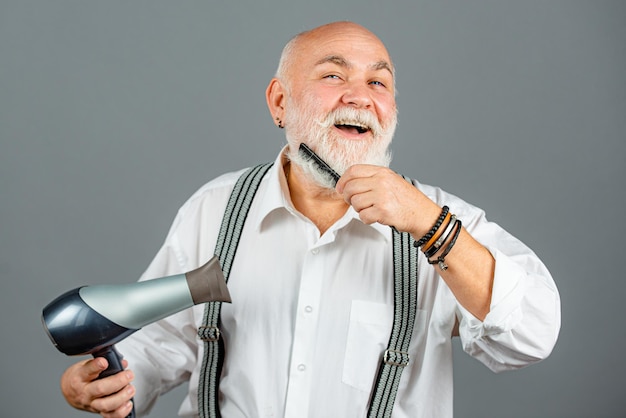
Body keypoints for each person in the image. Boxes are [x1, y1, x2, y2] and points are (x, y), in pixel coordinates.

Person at [59, 21, 561, 418]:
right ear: (280, 101)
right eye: (333, 75)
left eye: (378, 82)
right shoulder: (214, 208)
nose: (360, 96)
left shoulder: (439, 218)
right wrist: (114, 384)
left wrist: (430, 227)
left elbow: (534, 333)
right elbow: (162, 342)